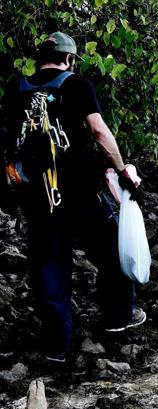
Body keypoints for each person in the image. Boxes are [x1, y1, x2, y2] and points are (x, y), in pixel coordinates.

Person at [2, 32, 144, 363]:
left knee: (49, 266)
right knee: (112, 250)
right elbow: (98, 131)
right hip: (80, 193)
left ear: (40, 58)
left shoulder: (15, 89)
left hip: (37, 197)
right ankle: (118, 319)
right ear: (69, 59)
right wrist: (121, 169)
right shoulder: (77, 85)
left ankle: (56, 346)